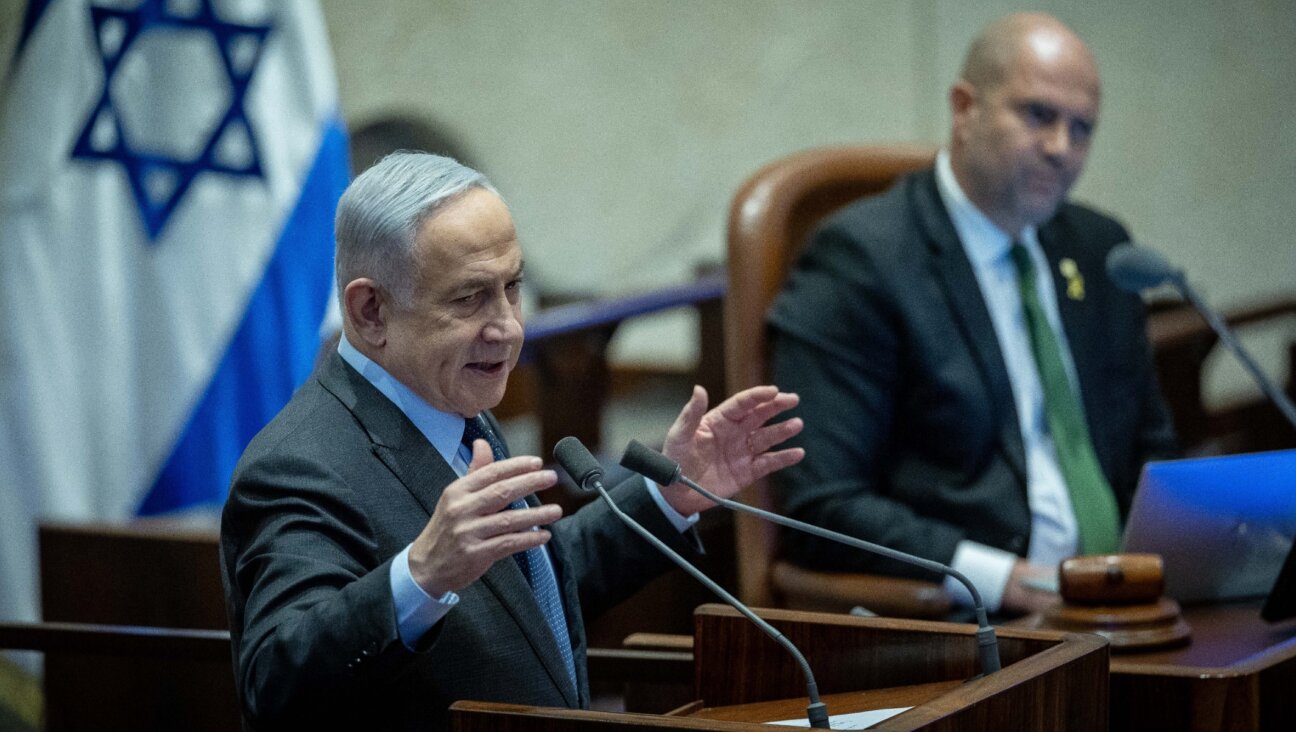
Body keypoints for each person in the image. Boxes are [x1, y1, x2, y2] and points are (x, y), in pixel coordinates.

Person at [220, 152, 804, 729]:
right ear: (371, 310)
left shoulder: (446, 401)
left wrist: (664, 499)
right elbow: (276, 681)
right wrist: (420, 576)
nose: (508, 328)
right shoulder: (299, 465)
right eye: (469, 297)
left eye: (512, 286)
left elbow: (518, 596)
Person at [768, 13, 1177, 616]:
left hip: (1130, 610)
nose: (1062, 149)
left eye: (1082, 128)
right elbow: (823, 504)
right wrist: (1000, 578)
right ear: (965, 109)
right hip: (975, 625)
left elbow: (1152, 452)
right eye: (1038, 115)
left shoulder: (1099, 250)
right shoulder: (863, 259)